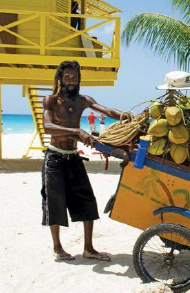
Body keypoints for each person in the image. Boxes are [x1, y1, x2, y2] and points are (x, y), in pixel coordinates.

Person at [42, 60, 131, 261]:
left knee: (88, 201)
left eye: (74, 77)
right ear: (60, 78)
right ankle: (58, 249)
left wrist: (125, 116)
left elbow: (107, 111)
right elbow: (48, 127)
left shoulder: (83, 100)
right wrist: (77, 131)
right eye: (67, 77)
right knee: (54, 203)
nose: (71, 81)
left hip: (73, 157)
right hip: (55, 157)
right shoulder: (51, 101)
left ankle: (88, 248)